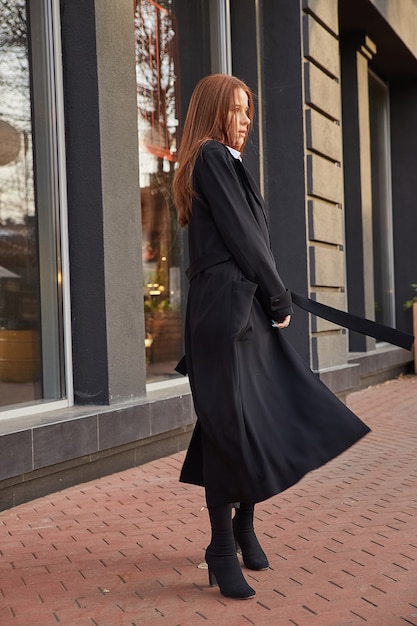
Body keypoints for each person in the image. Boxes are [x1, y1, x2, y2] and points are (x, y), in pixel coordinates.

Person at [172, 74, 370, 600]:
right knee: (227, 426)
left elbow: (254, 238)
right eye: (236, 110)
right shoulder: (211, 156)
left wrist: (271, 293)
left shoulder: (228, 162)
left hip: (243, 306)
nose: (245, 120)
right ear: (214, 112)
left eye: (249, 111)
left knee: (254, 417)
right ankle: (220, 544)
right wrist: (279, 295)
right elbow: (240, 236)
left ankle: (243, 526)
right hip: (222, 309)